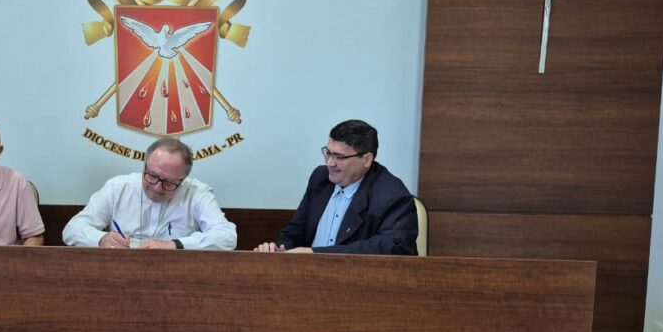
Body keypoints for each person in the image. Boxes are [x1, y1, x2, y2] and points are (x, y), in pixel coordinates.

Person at [254, 119, 417, 255]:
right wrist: (279, 250)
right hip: (306, 275)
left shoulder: (391, 195)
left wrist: (315, 254)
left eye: (339, 157)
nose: (330, 163)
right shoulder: (320, 177)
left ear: (367, 159)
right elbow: (294, 231)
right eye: (328, 153)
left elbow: (394, 247)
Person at [63, 137, 237, 250]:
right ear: (145, 164)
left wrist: (175, 245)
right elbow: (72, 229)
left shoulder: (197, 193)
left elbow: (227, 236)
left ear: (183, 179)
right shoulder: (117, 188)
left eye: (169, 182)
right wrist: (101, 239)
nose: (157, 188)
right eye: (152, 175)